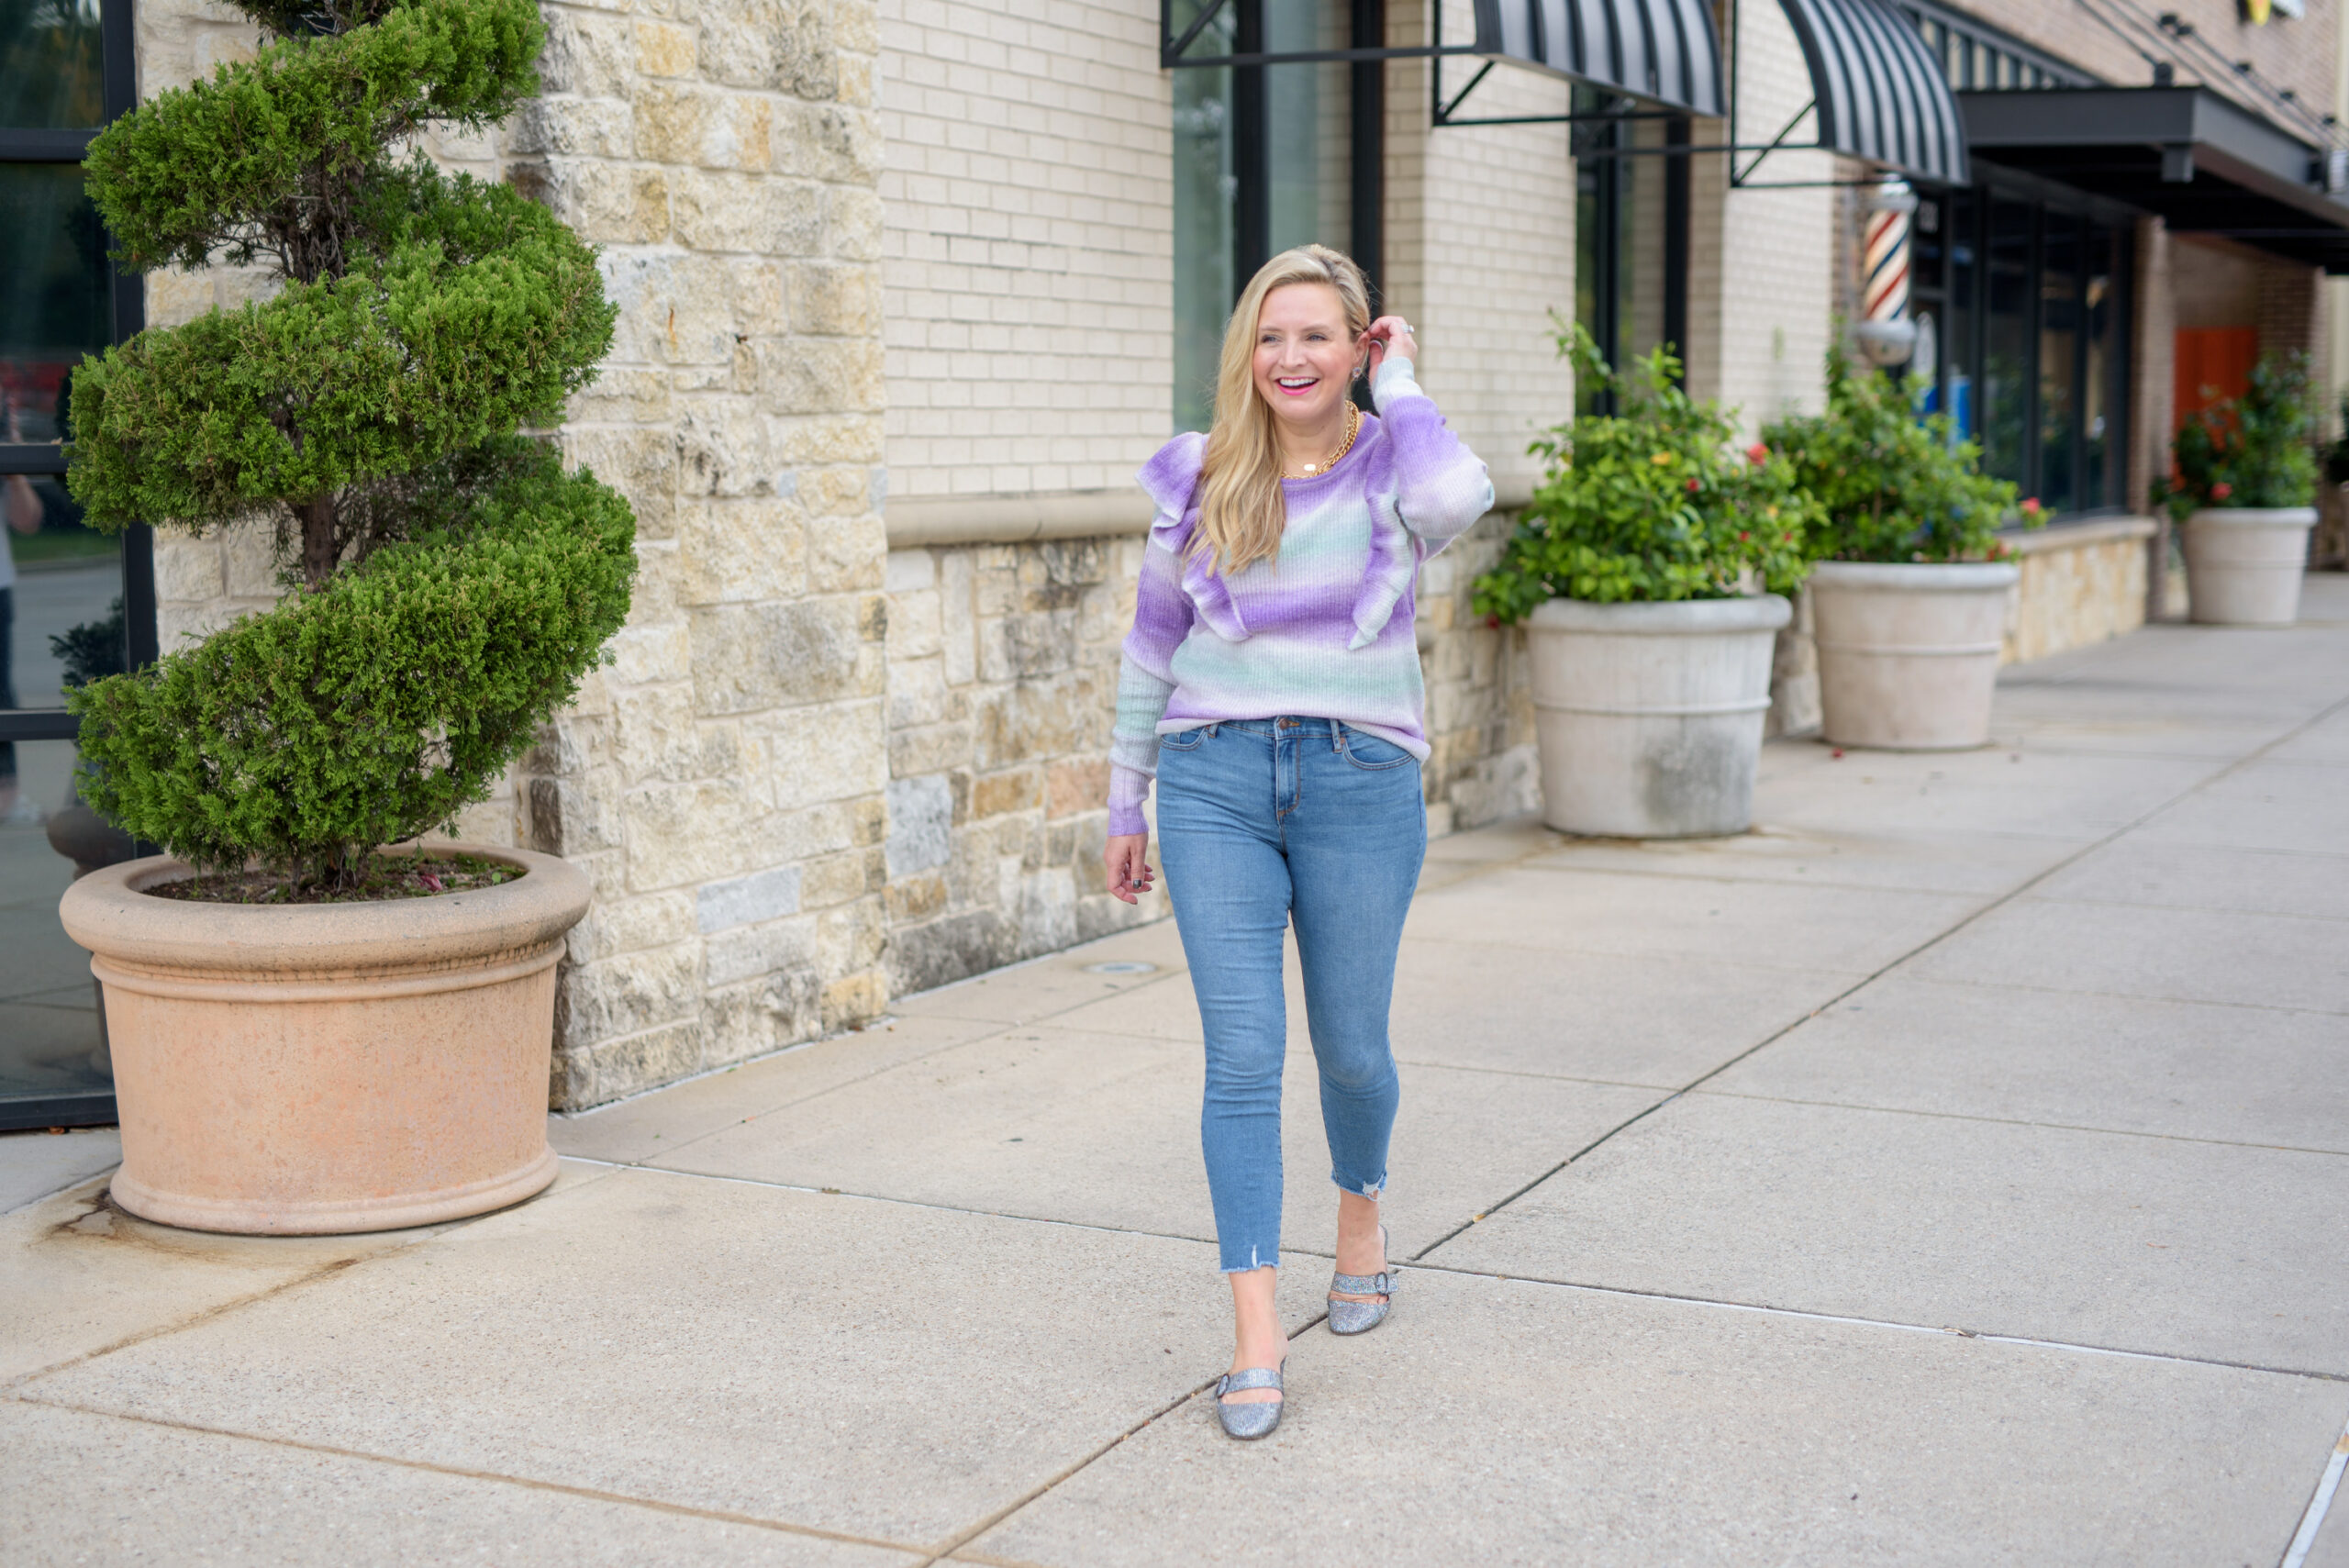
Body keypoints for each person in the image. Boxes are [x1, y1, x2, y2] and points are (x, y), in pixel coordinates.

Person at [1101, 244, 1493, 1440]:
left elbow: (1456, 501)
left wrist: (1407, 384)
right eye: (1271, 336)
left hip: (1357, 778)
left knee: (1354, 1052)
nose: (1290, 357)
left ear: (1358, 345)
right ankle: (1257, 1335)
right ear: (1246, 351)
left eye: (1318, 334)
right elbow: (1152, 643)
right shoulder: (1206, 472)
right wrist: (1128, 799)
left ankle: (1362, 1216)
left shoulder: (1395, 462)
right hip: (1213, 777)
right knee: (1240, 1055)